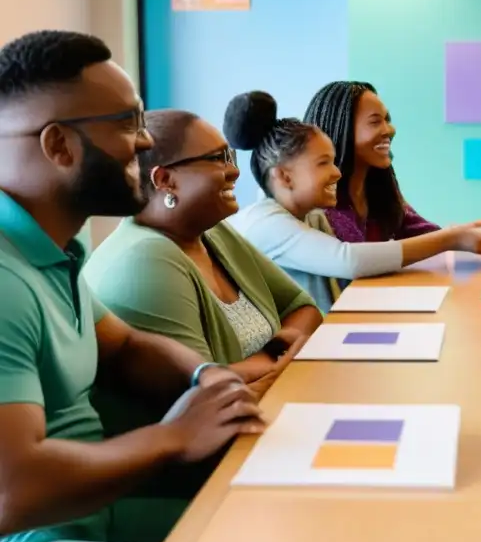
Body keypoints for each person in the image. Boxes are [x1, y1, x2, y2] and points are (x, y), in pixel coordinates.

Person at [0, 30, 264, 542]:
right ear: (58, 145)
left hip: (97, 513)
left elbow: (124, 345)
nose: (145, 141)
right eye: (128, 123)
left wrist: (204, 375)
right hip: (42, 541)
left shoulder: (59, 249)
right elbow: (13, 491)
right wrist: (173, 437)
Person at [82, 110, 322, 393]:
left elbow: (304, 309)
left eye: (229, 156)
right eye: (218, 159)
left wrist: (265, 360)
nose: (234, 170)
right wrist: (276, 356)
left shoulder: (213, 233)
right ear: (165, 179)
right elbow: (207, 391)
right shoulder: (145, 259)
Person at [223, 91, 481, 310]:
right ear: (284, 177)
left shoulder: (312, 216)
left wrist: (462, 240)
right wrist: (453, 238)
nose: (336, 173)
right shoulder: (266, 223)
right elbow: (349, 260)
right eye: (323, 163)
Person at [303, 81, 440, 244]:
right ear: (341, 129)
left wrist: (460, 237)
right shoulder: (317, 205)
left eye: (387, 120)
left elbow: (429, 235)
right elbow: (353, 259)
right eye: (375, 122)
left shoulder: (380, 191)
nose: (390, 130)